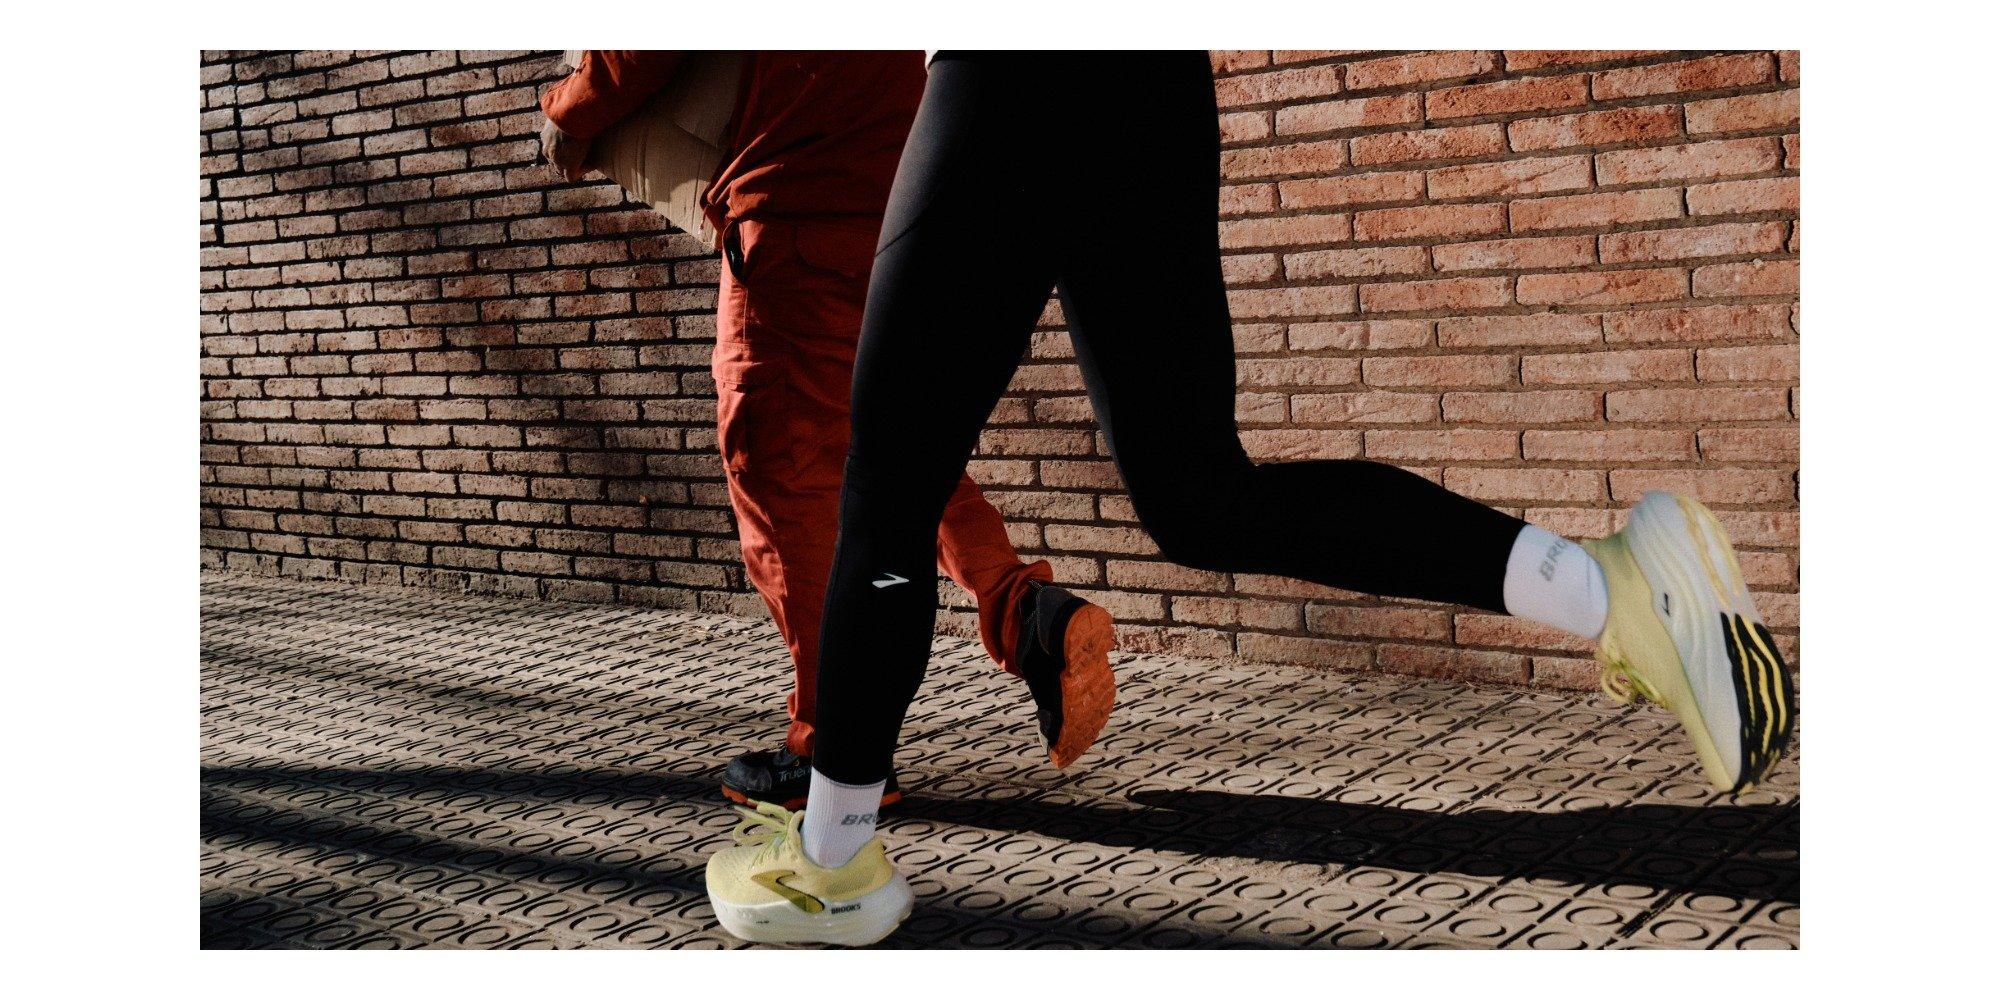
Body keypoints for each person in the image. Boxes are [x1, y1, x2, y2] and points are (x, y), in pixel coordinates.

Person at [702, 51, 1797, 947]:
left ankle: (832, 861)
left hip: (1013, 75)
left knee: (887, 475)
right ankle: (1611, 588)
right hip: (1149, 79)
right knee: (1197, 496)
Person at [538, 51, 1118, 812]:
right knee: (895, 458)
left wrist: (567, 109)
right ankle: (1025, 613)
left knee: (780, 491)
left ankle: (827, 750)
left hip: (794, 213)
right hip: (906, 215)